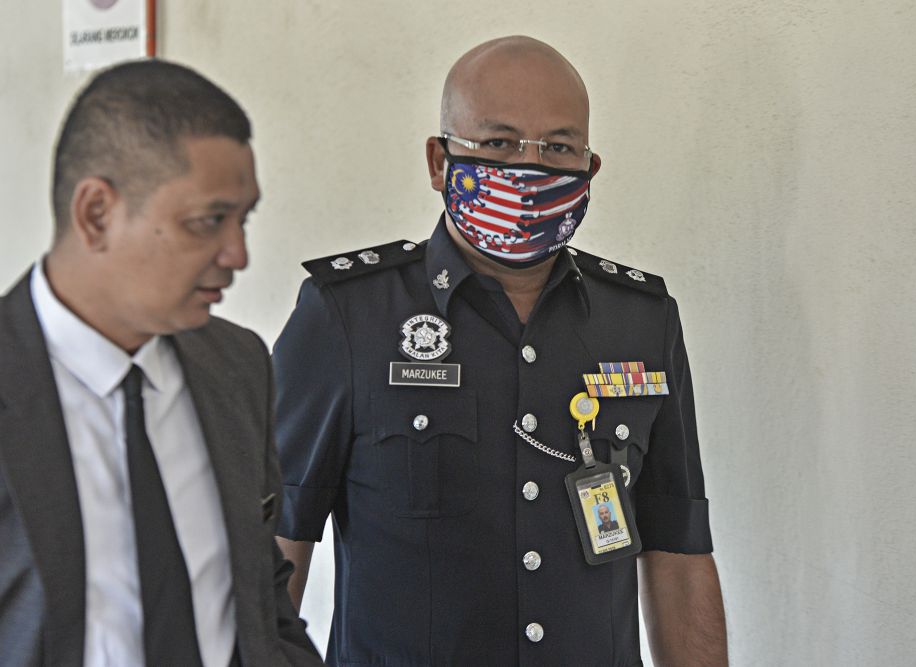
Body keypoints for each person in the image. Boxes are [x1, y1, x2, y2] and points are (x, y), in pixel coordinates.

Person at [274, 36, 727, 666]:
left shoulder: (642, 323)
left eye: (559, 147)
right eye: (499, 143)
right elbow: (277, 543)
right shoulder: (348, 317)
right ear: (439, 161)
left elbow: (679, 550)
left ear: (590, 169)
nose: (530, 170)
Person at [0, 60, 322, 666]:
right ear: (97, 213)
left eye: (243, 220)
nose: (239, 254)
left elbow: (261, 596)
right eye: (208, 222)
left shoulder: (238, 364)